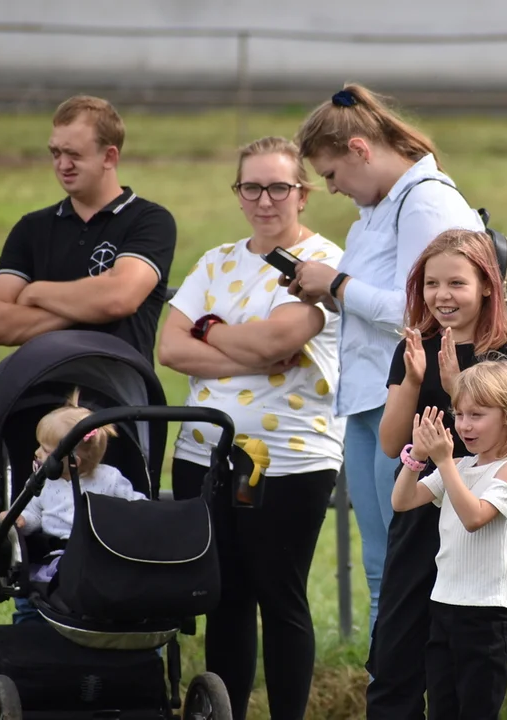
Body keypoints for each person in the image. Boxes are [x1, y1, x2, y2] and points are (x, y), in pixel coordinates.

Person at [158, 136, 345, 720]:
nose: (265, 201)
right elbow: (168, 346)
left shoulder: (323, 264)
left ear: (303, 193)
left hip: (291, 456)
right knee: (225, 597)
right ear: (238, 194)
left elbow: (277, 340)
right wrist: (250, 352)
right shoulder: (215, 260)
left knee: (280, 597)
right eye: (252, 187)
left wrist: (207, 330)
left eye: (279, 187)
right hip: (201, 452)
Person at [289, 83, 485, 638]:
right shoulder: (376, 208)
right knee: (383, 571)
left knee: (404, 570)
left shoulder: (426, 200)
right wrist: (329, 290)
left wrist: (340, 284)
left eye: (331, 174)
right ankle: (391, 691)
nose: (330, 188)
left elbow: (428, 309)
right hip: (371, 399)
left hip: (412, 400)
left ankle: (407, 691)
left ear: (359, 149)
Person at [368, 229, 507, 718]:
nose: (441, 296)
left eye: (456, 283)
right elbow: (389, 442)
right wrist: (415, 380)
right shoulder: (414, 349)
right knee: (396, 658)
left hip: (473, 524)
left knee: (461, 675)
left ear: (487, 285)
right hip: (421, 512)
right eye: (430, 283)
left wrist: (453, 387)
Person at [0, 95, 177, 363]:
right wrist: (93, 302)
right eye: (55, 153)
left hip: (119, 391)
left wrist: (36, 293)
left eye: (74, 154)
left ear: (109, 156)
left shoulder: (150, 220)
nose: (62, 165)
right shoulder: (31, 228)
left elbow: (119, 299)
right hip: (39, 387)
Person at [390, 360, 507, 720]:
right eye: (459, 414)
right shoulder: (462, 466)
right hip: (443, 607)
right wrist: (419, 457)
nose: (465, 425)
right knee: (442, 709)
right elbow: (402, 501)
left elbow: (474, 517)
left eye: (477, 414)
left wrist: (444, 463)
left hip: (485, 617)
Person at [0, 389, 145, 603]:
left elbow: (136, 506)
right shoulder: (44, 481)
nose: (37, 453)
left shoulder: (109, 478)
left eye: (46, 450)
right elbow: (35, 514)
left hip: (99, 554)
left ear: (75, 460)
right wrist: (21, 521)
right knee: (29, 589)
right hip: (58, 555)